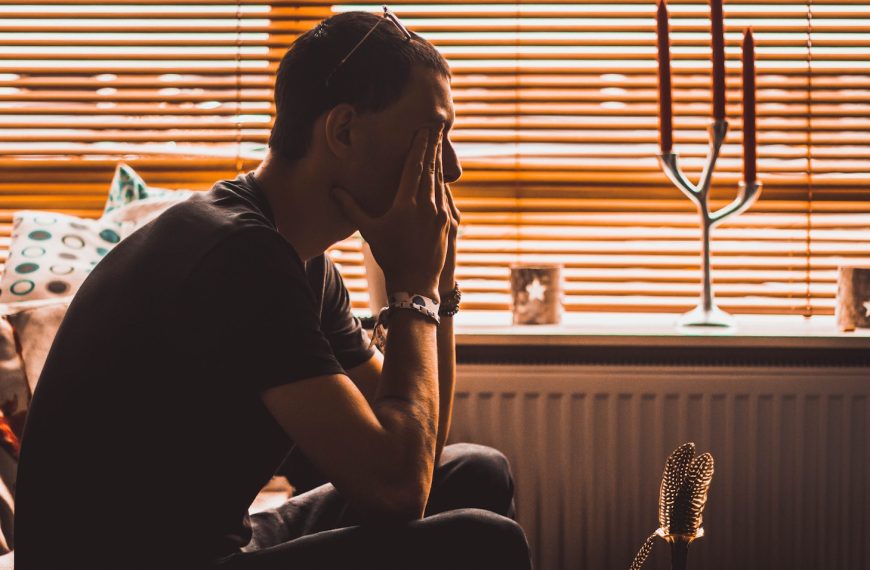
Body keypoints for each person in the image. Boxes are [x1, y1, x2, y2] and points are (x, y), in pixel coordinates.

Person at [14, 8, 532, 570]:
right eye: (433, 136)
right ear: (343, 130)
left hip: (209, 547)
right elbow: (397, 486)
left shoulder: (299, 262)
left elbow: (417, 453)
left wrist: (438, 286)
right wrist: (413, 289)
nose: (450, 169)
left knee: (476, 470)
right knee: (485, 541)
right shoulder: (237, 256)